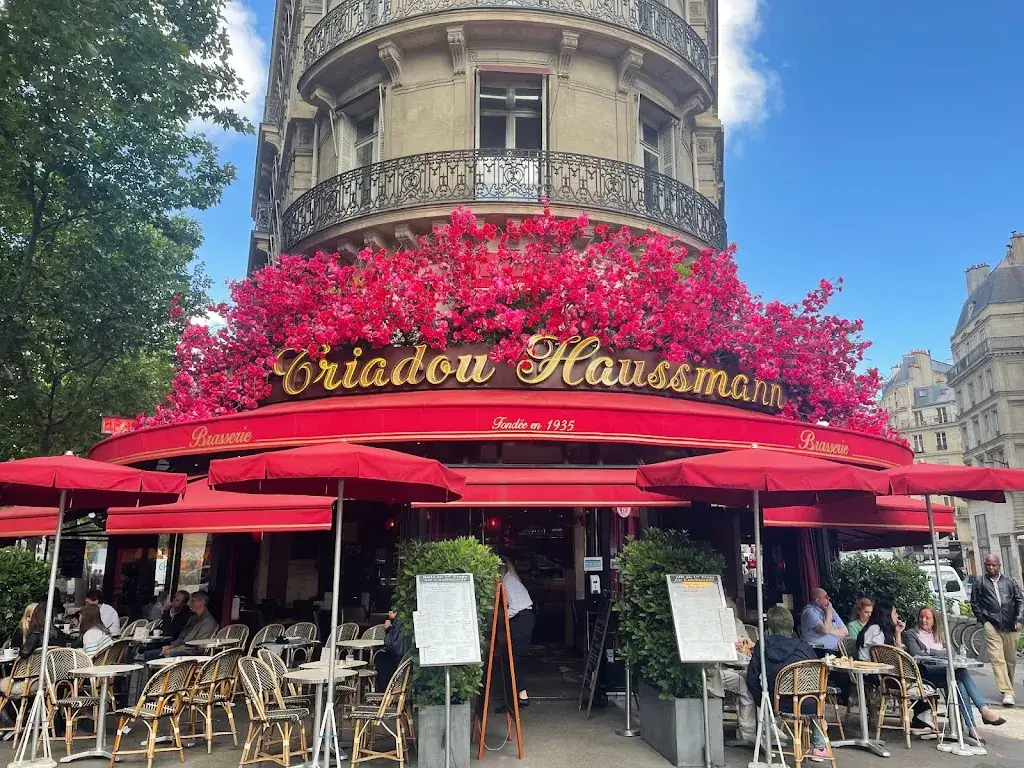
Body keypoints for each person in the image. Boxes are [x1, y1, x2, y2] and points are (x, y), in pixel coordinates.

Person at [904, 605, 1005, 740]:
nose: (924, 620)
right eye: (921, 617)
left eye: (927, 618)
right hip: (924, 674)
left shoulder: (939, 634)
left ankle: (971, 728)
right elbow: (917, 654)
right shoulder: (911, 633)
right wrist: (937, 652)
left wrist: (930, 652)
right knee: (961, 672)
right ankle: (983, 710)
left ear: (934, 620)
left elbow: (951, 653)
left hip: (942, 671)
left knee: (959, 682)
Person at [747, 606, 828, 760]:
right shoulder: (804, 646)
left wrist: (762, 702)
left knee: (759, 689)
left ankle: (767, 735)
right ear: (790, 625)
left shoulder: (762, 644)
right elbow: (817, 675)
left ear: (769, 626)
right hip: (808, 703)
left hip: (778, 703)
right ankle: (819, 747)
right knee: (818, 698)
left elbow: (752, 678)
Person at [857, 598, 940, 732]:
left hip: (884, 672)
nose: (897, 616)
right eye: (895, 613)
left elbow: (896, 654)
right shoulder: (876, 630)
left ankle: (921, 717)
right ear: (887, 615)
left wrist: (898, 633)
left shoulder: (880, 630)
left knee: (922, 672)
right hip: (876, 675)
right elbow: (890, 656)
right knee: (923, 675)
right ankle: (922, 717)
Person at [969, 554, 1023, 706]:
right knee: (997, 659)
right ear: (985, 565)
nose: (991, 568)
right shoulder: (979, 582)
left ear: (999, 565)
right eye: (988, 565)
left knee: (1010, 660)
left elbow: (1019, 600)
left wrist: (1019, 619)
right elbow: (975, 603)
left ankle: (1008, 688)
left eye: (994, 565)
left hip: (1011, 625)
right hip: (991, 624)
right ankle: (1007, 691)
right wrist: (984, 621)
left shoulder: (1009, 581)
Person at [710, 598, 756, 747]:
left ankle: (756, 729)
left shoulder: (737, 623)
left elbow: (746, 641)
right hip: (717, 670)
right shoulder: (714, 625)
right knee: (746, 685)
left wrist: (744, 643)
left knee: (753, 682)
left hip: (740, 665)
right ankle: (748, 733)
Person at [499, 557, 534, 711]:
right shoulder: (511, 579)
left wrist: (500, 617)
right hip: (525, 619)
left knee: (513, 659)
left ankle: (519, 697)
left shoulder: (508, 582)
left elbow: (514, 608)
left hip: (521, 620)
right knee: (514, 658)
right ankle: (521, 696)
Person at [145, 590, 218, 661]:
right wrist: (170, 646)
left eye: (193, 601)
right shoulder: (193, 618)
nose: (190, 604)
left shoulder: (208, 622)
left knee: (162, 655)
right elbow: (183, 636)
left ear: (202, 602)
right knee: (148, 654)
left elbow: (199, 647)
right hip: (181, 648)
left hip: (191, 654)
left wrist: (172, 650)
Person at [376, 610, 412, 693]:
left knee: (381, 658)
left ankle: (382, 693)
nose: (389, 612)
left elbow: (389, 642)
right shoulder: (406, 622)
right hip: (403, 658)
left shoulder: (398, 621)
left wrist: (388, 628)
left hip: (396, 656)